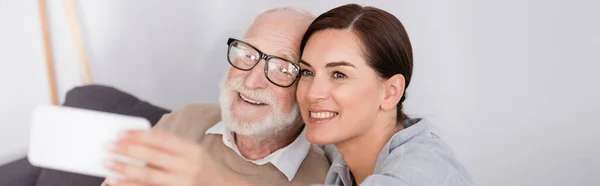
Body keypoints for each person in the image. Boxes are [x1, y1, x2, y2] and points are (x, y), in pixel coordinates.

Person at [102, 7, 329, 186]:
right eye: (247, 54)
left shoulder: (323, 176)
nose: (251, 82)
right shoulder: (186, 118)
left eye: (283, 69)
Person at [296, 4, 475, 186]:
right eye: (306, 72)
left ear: (391, 92)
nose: (312, 93)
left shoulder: (414, 175)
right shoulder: (341, 148)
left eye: (339, 74)